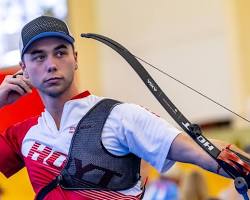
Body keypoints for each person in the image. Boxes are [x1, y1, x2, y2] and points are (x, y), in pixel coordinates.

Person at [0, 15, 249, 200]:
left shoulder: (119, 117)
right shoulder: (22, 134)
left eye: (60, 52)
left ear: (75, 58)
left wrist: (244, 166)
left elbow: (198, 150)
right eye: (39, 56)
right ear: (23, 67)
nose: (51, 64)